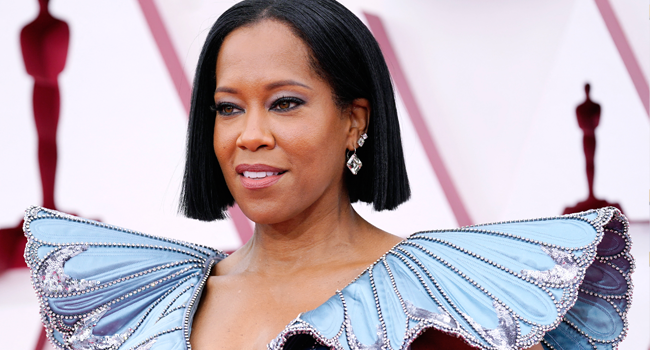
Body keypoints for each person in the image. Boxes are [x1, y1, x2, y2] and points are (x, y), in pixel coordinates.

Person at [22, 1, 633, 349]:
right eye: (228, 107)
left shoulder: (446, 299)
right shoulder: (143, 299)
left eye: (285, 102)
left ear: (353, 122)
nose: (249, 134)